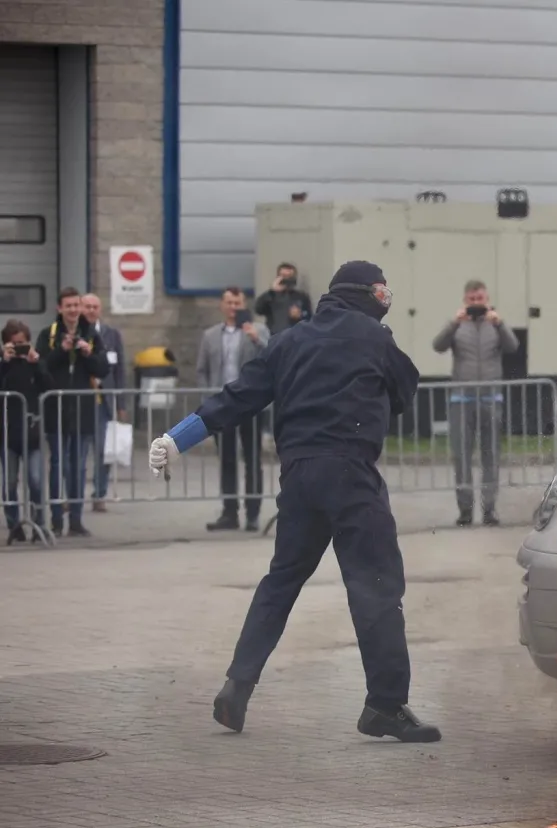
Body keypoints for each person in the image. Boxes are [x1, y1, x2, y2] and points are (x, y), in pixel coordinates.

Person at [148, 260, 439, 743]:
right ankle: (385, 706)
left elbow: (238, 396)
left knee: (281, 581)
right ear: (367, 293)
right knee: (376, 587)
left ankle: (237, 686)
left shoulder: (289, 340)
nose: (387, 299)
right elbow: (405, 389)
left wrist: (176, 438)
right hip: (350, 475)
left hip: (299, 477)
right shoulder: (374, 338)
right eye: (383, 291)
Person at [431, 279, 518, 527]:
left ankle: (489, 510)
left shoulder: (495, 325)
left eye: (480, 299)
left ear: (487, 300)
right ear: (465, 301)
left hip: (491, 399)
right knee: (462, 457)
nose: (476, 304)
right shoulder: (458, 326)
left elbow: (513, 346)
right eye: (472, 300)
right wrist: (454, 322)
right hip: (462, 399)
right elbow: (437, 345)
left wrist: (499, 323)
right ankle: (465, 511)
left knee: (491, 457)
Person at [36, 286, 109, 537]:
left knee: (78, 466)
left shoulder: (91, 335)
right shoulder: (48, 334)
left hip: (83, 408)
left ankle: (76, 520)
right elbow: (41, 367)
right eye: (68, 306)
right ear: (60, 308)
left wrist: (88, 354)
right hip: (56, 409)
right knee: (58, 464)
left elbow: (103, 369)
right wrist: (62, 350)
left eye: (76, 305)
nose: (73, 310)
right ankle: (56, 519)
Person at [196, 288, 271, 532]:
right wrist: (208, 399)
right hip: (222, 404)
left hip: (250, 403)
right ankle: (229, 513)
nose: (233, 307)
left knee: (252, 459)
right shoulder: (210, 336)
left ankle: (252, 513)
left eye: (237, 302)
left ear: (244, 304)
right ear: (222, 305)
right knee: (227, 460)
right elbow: (202, 370)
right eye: (229, 302)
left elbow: (272, 357)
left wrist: (254, 338)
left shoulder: (258, 330)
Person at [2, 320, 51, 545]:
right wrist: (5, 362)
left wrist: (37, 364)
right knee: (10, 482)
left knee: (36, 479)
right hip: (8, 434)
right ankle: (14, 525)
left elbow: (49, 387)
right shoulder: (5, 363)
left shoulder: (35, 363)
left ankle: (39, 523)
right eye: (15, 344)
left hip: (32, 432)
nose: (19, 348)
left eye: (23, 344)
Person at [82, 292, 126, 512]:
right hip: (81, 402)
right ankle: (73, 496)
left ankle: (99, 494)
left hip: (104, 401)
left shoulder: (112, 335)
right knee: (78, 452)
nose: (91, 310)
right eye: (87, 306)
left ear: (100, 310)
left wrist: (121, 404)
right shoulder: (74, 334)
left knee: (103, 451)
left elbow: (119, 370)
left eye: (94, 307)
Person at [253, 262, 313, 336]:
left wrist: (300, 315)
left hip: (295, 337)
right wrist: (272, 291)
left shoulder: (301, 296)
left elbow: (310, 317)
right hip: (274, 337)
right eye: (284, 276)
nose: (287, 279)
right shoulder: (271, 296)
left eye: (290, 276)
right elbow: (258, 309)